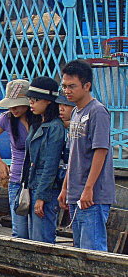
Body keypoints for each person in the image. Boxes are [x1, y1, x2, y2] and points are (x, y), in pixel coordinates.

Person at [58, 59, 115, 251]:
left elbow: (101, 151)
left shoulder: (97, 112)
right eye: (65, 86)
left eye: (72, 86)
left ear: (87, 85)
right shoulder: (75, 113)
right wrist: (65, 188)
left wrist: (89, 188)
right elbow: (74, 156)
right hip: (76, 192)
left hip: (93, 195)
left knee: (93, 250)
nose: (67, 91)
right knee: (80, 250)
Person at [0, 79, 38, 238]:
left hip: (39, 180)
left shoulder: (40, 118)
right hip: (16, 180)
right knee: (20, 231)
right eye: (11, 105)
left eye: (17, 105)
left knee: (38, 232)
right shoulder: (6, 118)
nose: (13, 109)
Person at [24, 77, 65, 243]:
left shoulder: (55, 127)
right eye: (30, 100)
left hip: (45, 187)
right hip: (34, 184)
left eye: (36, 100)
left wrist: (42, 196)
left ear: (48, 102)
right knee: (35, 236)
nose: (31, 104)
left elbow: (51, 164)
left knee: (43, 236)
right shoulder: (37, 123)